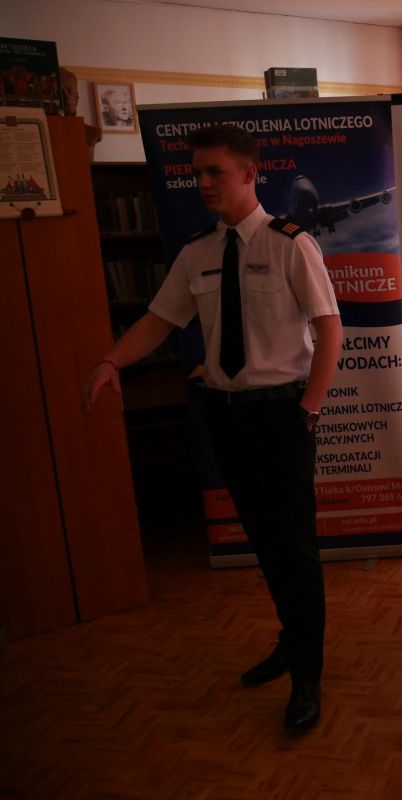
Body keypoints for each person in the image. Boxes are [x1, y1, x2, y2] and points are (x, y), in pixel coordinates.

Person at [80, 123, 342, 732]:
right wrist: (111, 360)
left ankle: (307, 674)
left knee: (294, 547)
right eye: (196, 173)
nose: (201, 182)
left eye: (213, 172)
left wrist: (308, 412)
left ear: (249, 174)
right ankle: (290, 640)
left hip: (281, 415)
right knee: (264, 541)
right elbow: (158, 320)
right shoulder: (197, 251)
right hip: (225, 415)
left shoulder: (290, 244)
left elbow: (329, 329)